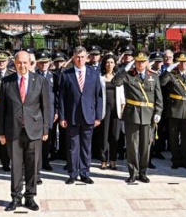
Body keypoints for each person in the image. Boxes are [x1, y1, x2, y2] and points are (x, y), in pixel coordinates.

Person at [0, 51, 53, 212]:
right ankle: (15, 197)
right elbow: (2, 109)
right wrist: (1, 132)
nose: (22, 66)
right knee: (15, 166)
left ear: (30, 63)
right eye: (19, 63)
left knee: (32, 165)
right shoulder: (7, 81)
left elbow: (45, 106)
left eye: (25, 62)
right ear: (14, 63)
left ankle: (30, 196)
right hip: (13, 130)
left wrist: (45, 128)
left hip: (34, 130)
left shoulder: (40, 81)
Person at [112, 51, 163, 183]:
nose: (140, 64)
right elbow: (115, 82)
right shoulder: (128, 75)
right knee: (132, 145)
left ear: (147, 62)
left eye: (143, 61)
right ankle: (133, 172)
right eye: (138, 61)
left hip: (148, 115)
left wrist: (158, 112)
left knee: (146, 146)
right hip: (132, 114)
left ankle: (143, 172)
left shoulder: (154, 76)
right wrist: (126, 67)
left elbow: (158, 98)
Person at [58, 46, 103, 185]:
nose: (80, 60)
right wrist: (62, 117)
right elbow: (61, 98)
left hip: (89, 115)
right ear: (73, 57)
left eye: (83, 57)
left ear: (87, 57)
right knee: (72, 146)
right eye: (77, 57)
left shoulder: (94, 74)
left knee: (86, 146)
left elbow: (99, 96)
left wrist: (98, 116)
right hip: (72, 116)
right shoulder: (66, 74)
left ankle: (85, 173)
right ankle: (72, 173)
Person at [160, 51, 186, 170]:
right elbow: (161, 82)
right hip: (174, 109)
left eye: (185, 62)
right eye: (180, 62)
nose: (183, 64)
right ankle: (175, 159)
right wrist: (168, 70)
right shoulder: (172, 74)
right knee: (173, 137)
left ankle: (184, 160)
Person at [98, 54, 124, 170]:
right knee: (103, 136)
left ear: (115, 64)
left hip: (116, 110)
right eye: (107, 62)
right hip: (104, 110)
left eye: (112, 62)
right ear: (104, 64)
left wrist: (122, 110)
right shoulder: (100, 78)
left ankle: (113, 160)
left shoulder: (118, 78)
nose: (109, 64)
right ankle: (103, 160)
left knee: (115, 136)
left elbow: (122, 96)